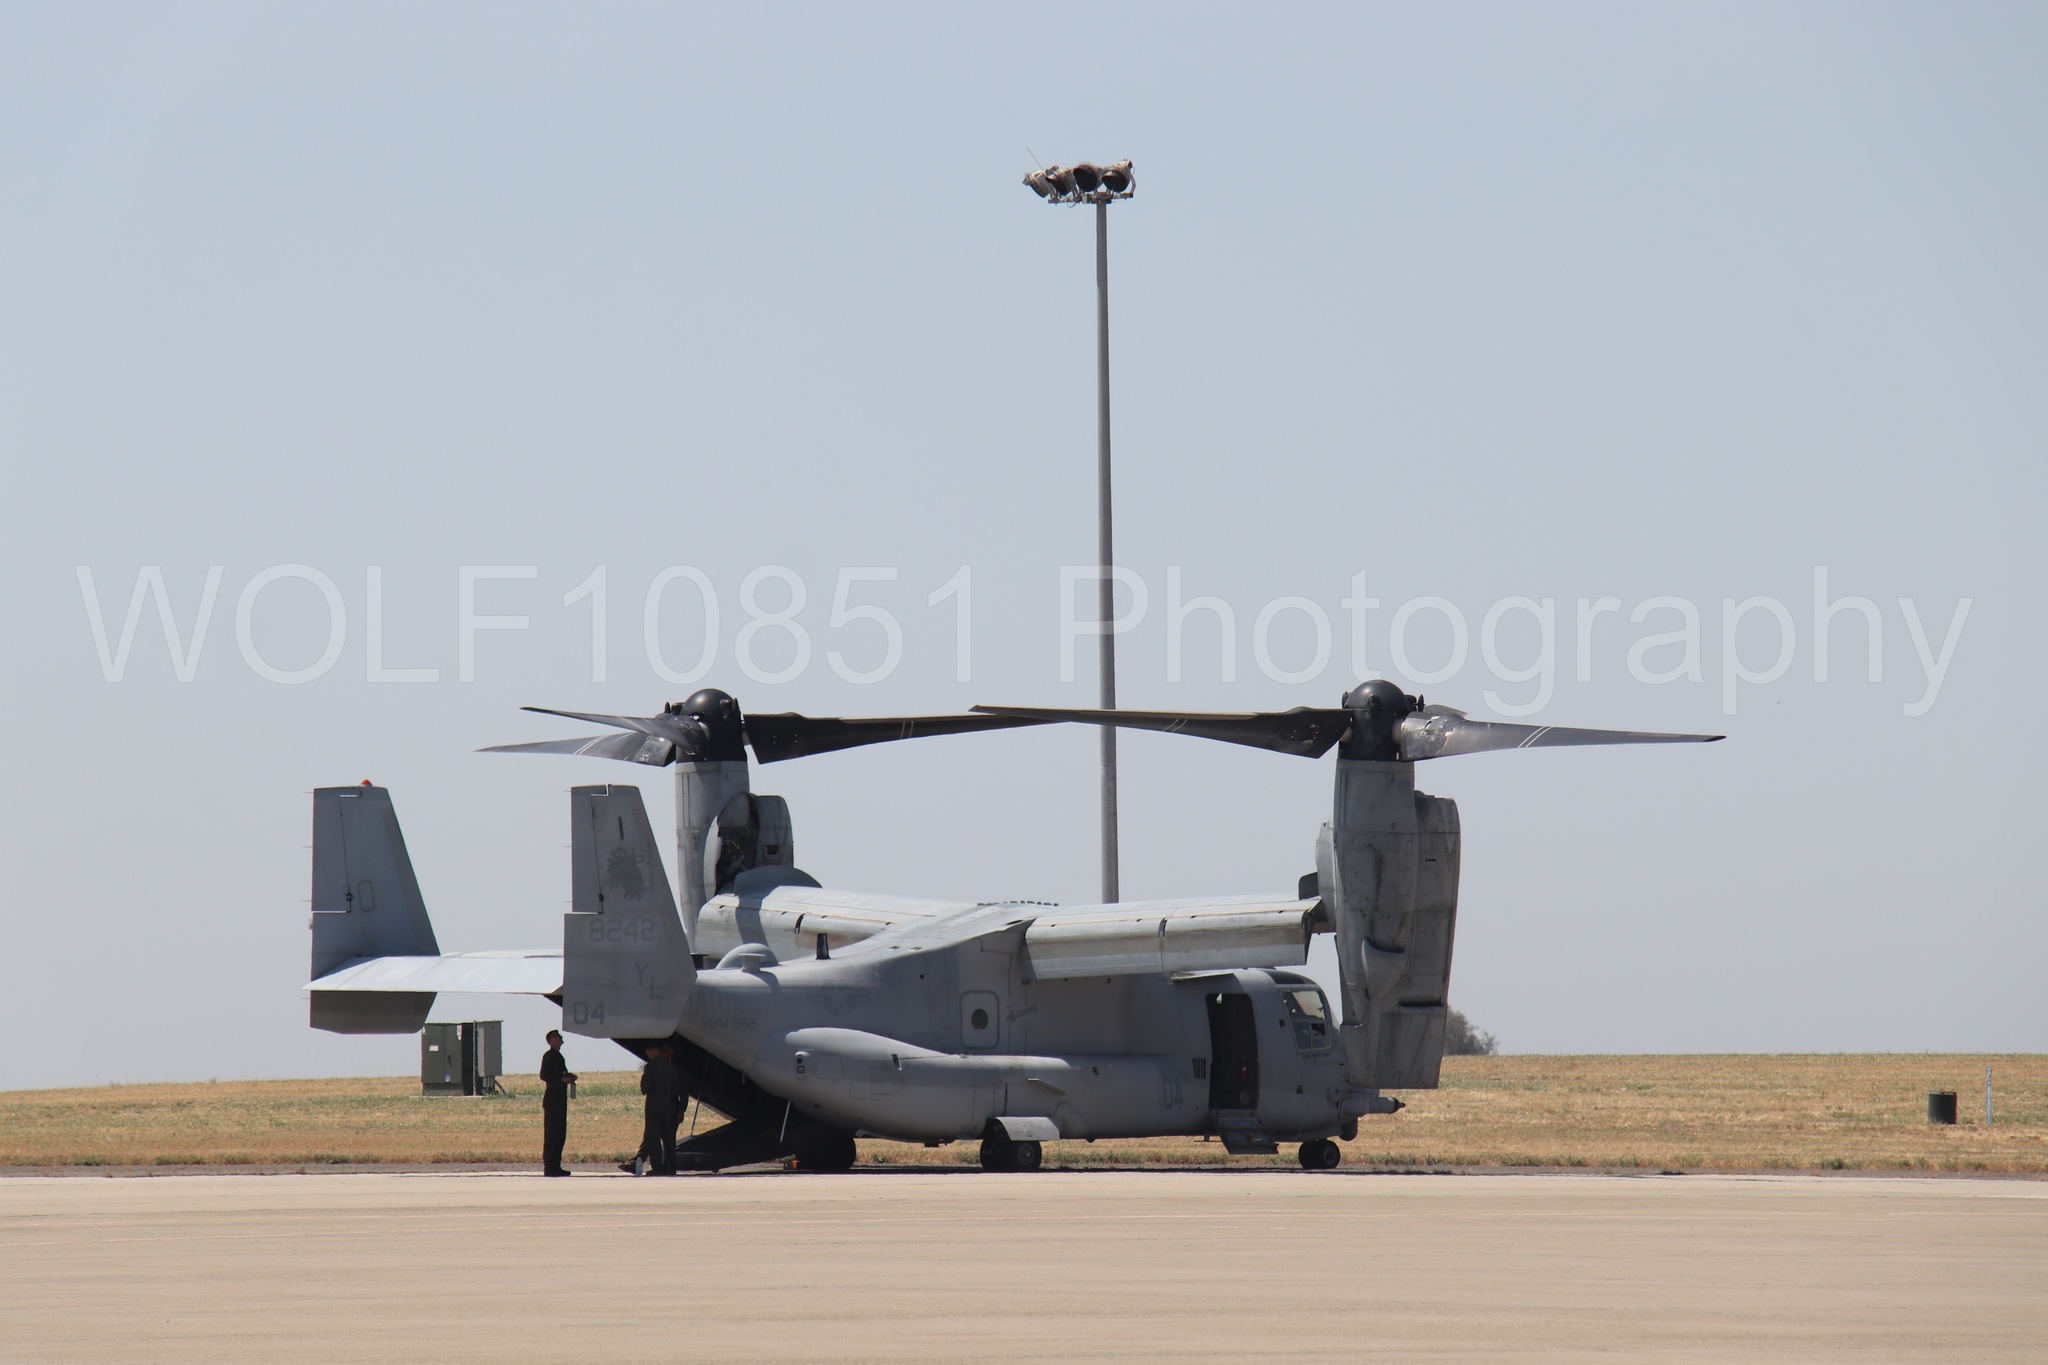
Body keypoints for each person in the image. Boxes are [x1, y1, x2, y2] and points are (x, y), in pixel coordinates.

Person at [539, 1030, 578, 1177]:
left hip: (560, 1099)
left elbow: (559, 1073)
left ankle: (556, 1165)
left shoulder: (558, 1057)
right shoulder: (549, 1056)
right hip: (553, 1099)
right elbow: (544, 1075)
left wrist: (568, 1077)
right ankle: (550, 1167)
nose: (561, 1039)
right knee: (552, 1133)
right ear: (552, 1040)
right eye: (558, 1037)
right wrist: (561, 1079)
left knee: (560, 1133)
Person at [640, 1040, 680, 1175]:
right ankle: (671, 1168)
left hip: (653, 1108)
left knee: (654, 1138)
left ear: (651, 1051)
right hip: (669, 1107)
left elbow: (645, 1088)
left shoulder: (650, 1067)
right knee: (669, 1140)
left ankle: (658, 1169)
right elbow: (676, 1088)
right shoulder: (672, 1067)